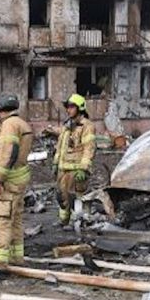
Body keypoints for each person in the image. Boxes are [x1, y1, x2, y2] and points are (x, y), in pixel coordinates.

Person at [0, 95, 33, 282]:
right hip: (19, 179)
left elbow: (9, 153)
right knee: (16, 219)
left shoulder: (9, 125)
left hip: (8, 182)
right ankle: (16, 258)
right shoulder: (20, 123)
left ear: (1, 108)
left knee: (2, 221)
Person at [53, 93, 96, 227]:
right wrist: (55, 163)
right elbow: (60, 147)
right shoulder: (67, 126)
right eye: (67, 107)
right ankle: (64, 221)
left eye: (72, 107)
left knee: (76, 197)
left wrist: (83, 169)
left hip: (76, 170)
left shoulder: (87, 126)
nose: (68, 110)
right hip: (63, 169)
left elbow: (89, 149)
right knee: (62, 196)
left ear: (80, 108)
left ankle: (78, 223)